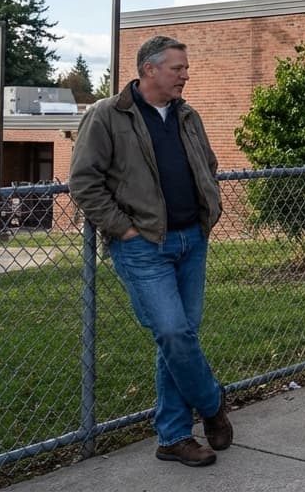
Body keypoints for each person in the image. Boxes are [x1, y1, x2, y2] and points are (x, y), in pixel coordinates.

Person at [69, 35, 232, 468]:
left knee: (177, 339)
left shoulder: (187, 115)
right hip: (143, 246)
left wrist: (207, 210)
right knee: (174, 333)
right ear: (149, 70)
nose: (186, 74)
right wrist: (122, 229)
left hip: (191, 240)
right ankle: (212, 403)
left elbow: (208, 166)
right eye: (178, 67)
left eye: (185, 67)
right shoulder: (108, 115)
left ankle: (174, 437)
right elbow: (84, 182)